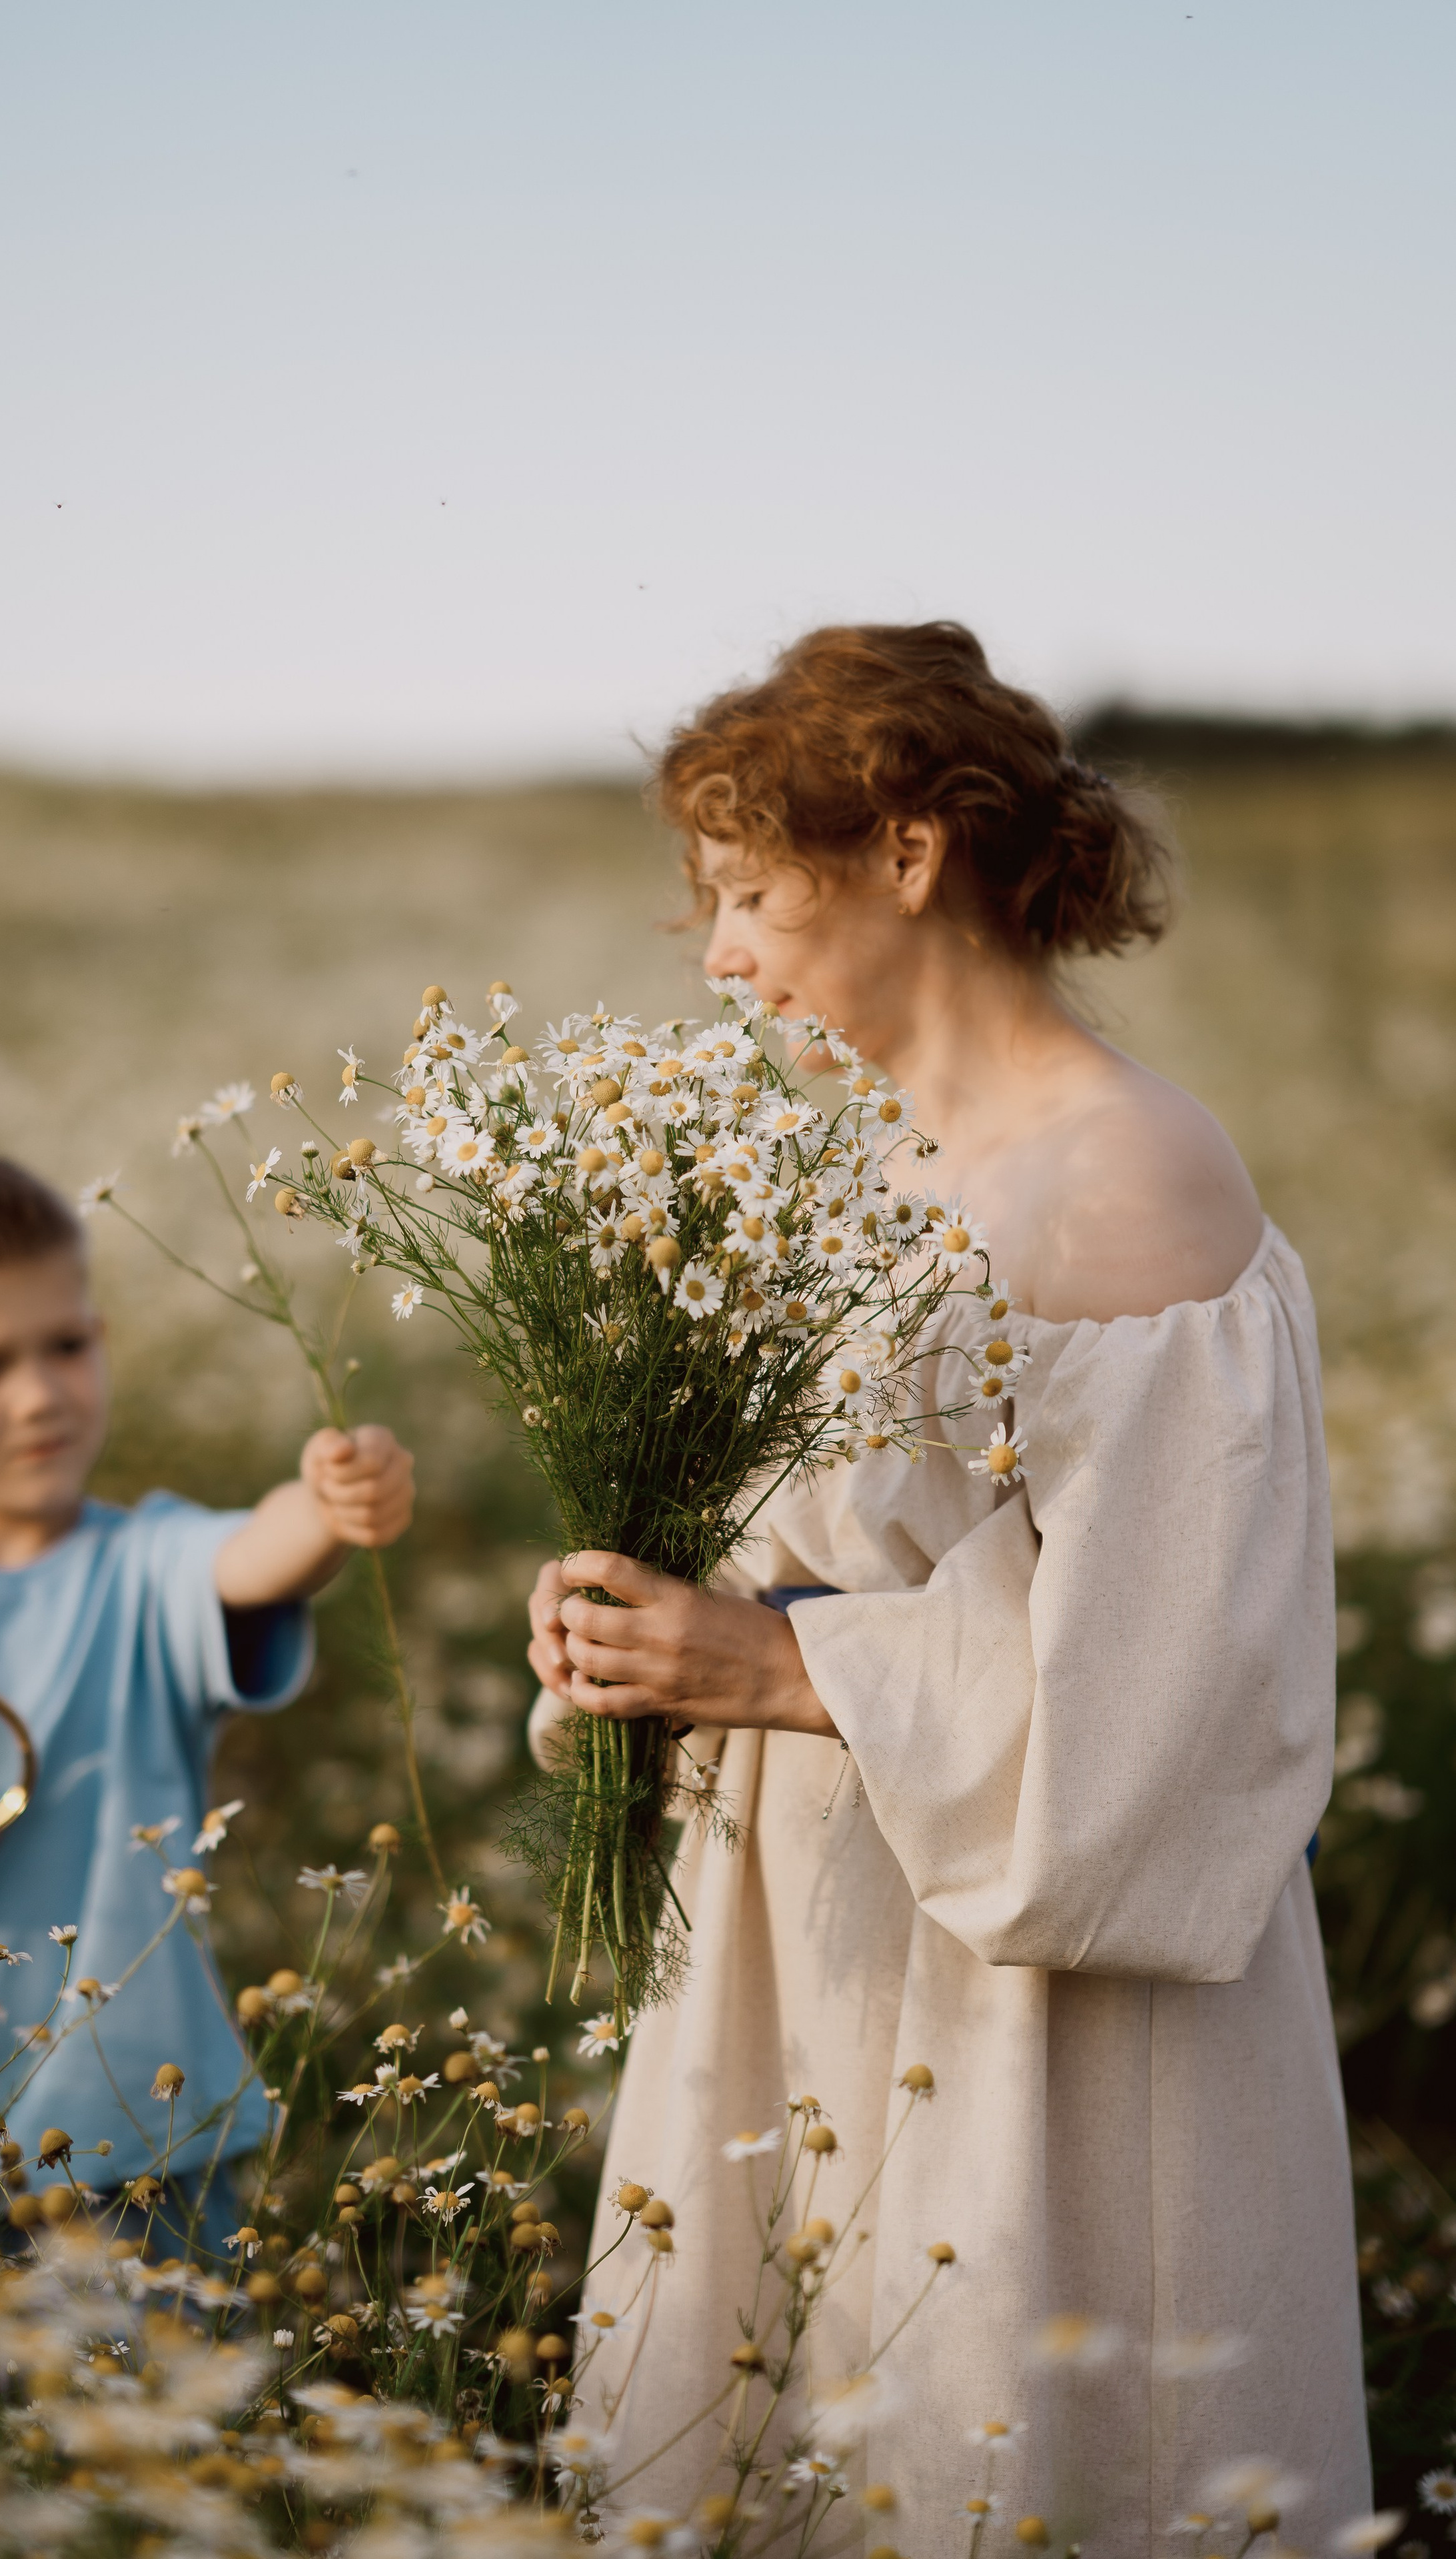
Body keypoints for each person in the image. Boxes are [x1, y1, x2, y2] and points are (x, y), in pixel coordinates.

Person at [525, 626, 1368, 2550]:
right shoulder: (893, 1167)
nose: (723, 956)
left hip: (1032, 2012)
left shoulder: (1129, 1178)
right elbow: (838, 1549)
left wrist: (772, 1663)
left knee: (1020, 2449)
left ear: (911, 852)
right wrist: (645, 1625)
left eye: (749, 894)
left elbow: (1174, 1708)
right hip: (835, 1941)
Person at [0, 1150, 414, 2248]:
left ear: (102, 1341)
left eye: (67, 1345)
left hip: (145, 2153)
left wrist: (332, 1500)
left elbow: (258, 1555)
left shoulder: (145, 1562)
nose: (40, 1393)